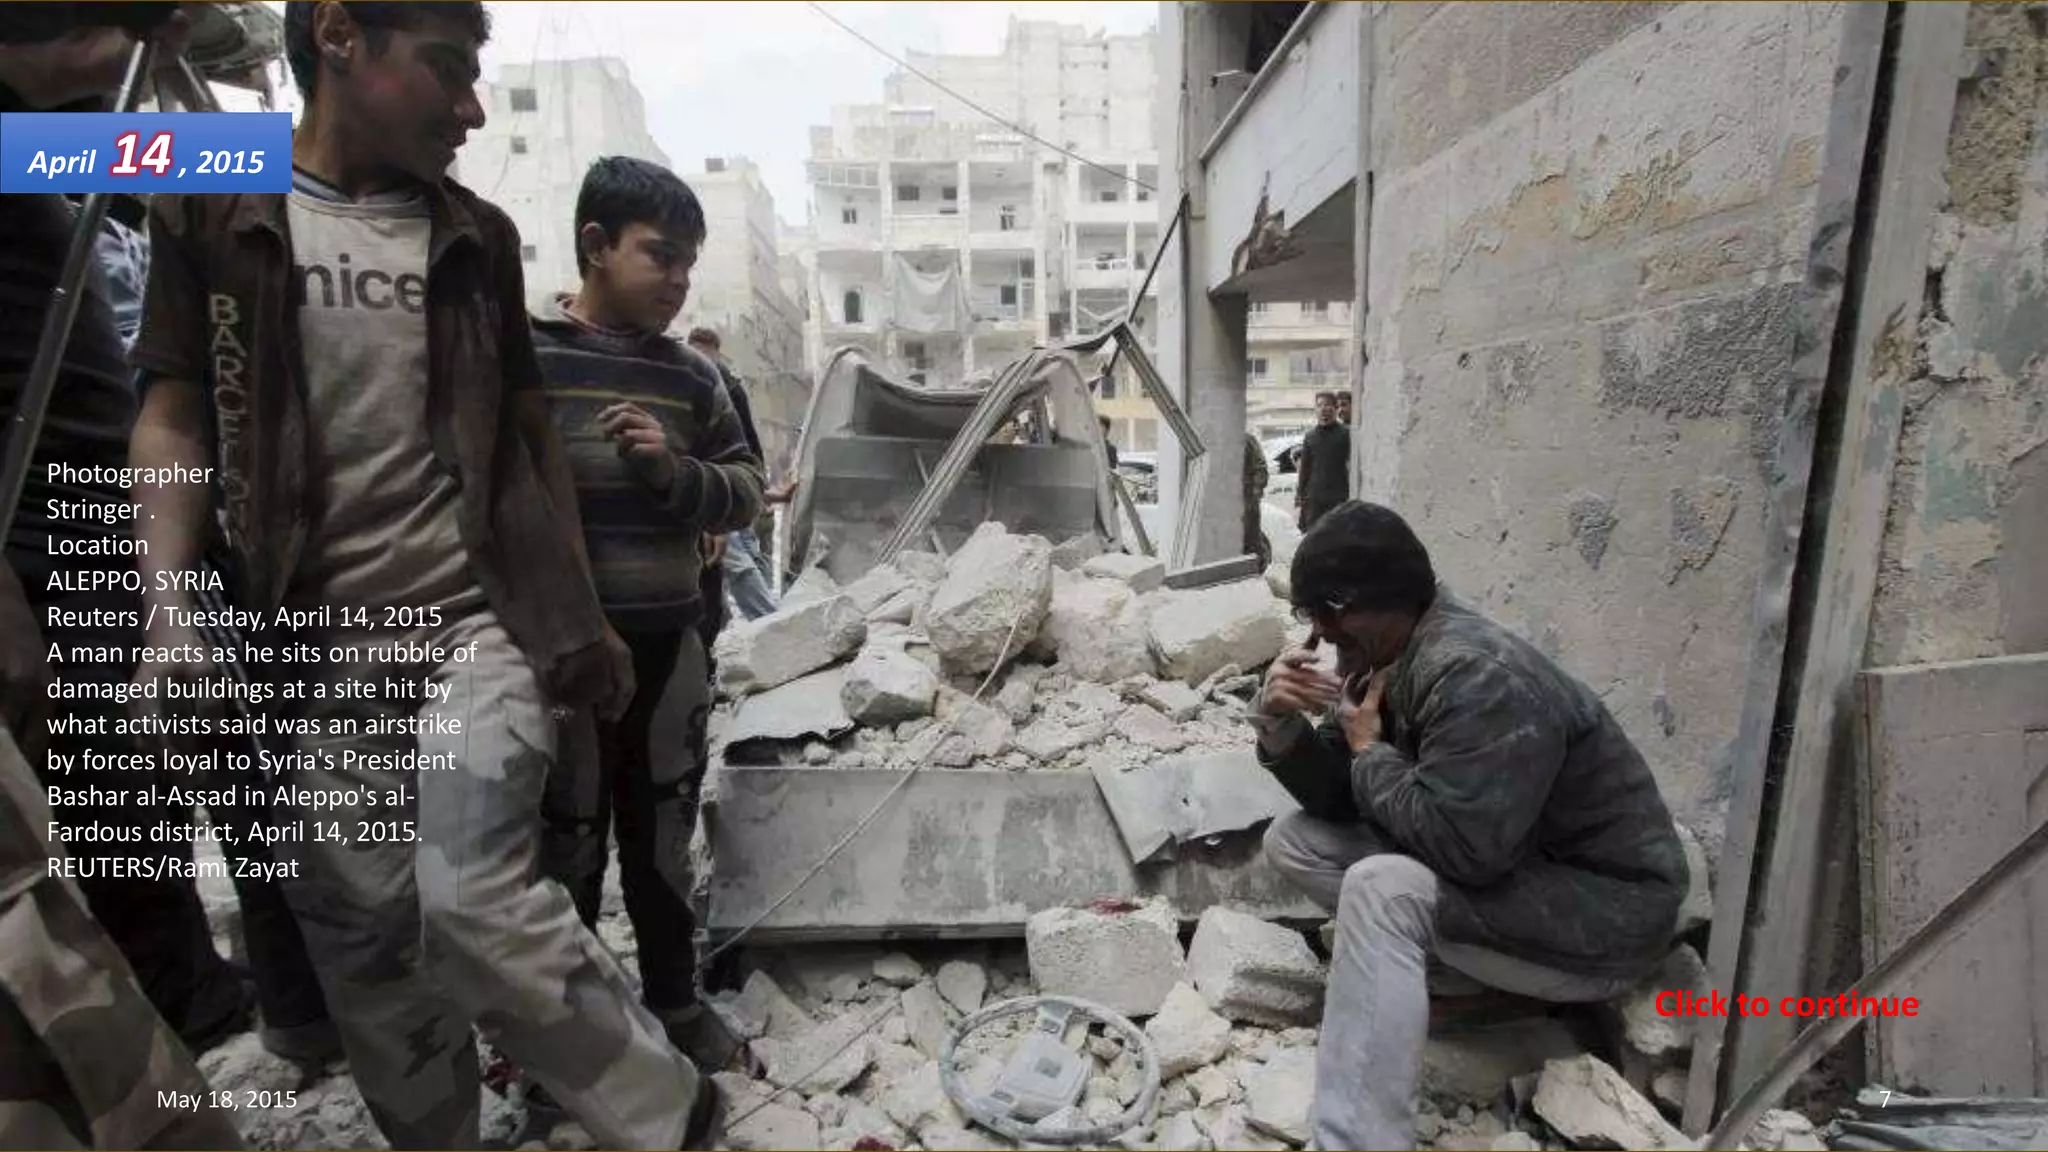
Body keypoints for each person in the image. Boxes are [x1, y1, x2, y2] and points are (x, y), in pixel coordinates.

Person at [126, 4, 714, 1147]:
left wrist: (571, 628)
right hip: (311, 657)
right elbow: (175, 412)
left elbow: (527, 448)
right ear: (341, 36)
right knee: (370, 940)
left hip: (472, 632)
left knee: (473, 900)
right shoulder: (211, 200)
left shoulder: (474, 237)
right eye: (446, 69)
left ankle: (676, 1120)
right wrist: (164, 609)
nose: (471, 107)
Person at [1252, 501, 1688, 1150]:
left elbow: (1466, 852)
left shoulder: (1477, 675)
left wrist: (1371, 750)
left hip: (1607, 916)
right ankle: (1473, 986)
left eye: (1332, 618)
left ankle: (1356, 1142)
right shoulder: (1385, 654)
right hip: (1521, 878)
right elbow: (1342, 801)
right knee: (1294, 840)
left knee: (1382, 888)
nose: (1321, 636)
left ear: (1378, 603)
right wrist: (1278, 722)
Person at [0, 5, 259, 1058]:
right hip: (31, 543)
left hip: (87, 520)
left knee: (139, 782)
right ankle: (160, 1030)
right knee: (102, 795)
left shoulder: (34, 146)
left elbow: (224, 158)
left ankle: (192, 993)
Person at [531, 159, 763, 1066]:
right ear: (595, 245)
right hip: (563, 657)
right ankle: (575, 1042)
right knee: (567, 846)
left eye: (688, 265)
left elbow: (746, 492)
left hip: (670, 647)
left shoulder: (694, 378)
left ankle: (674, 1004)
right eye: (660, 257)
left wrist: (676, 475)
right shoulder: (526, 356)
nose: (677, 281)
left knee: (662, 839)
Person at [684, 326, 786, 622]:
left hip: (729, 496)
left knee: (745, 561)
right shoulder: (711, 384)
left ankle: (772, 626)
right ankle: (773, 625)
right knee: (739, 566)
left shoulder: (726, 387)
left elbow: (743, 452)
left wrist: (760, 491)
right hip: (713, 500)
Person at [1294, 391, 1350, 532]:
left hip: (1338, 497)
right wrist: (1300, 494)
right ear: (1316, 410)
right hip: (1314, 499)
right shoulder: (1310, 436)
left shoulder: (1346, 434)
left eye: (1327, 405)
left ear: (1335, 408)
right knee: (1314, 538)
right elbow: (1305, 469)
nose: (1323, 409)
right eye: (1319, 405)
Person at [1244, 431, 1271, 567]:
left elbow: (1260, 467)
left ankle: (1257, 567)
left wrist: (1256, 489)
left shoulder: (1247, 439)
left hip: (1246, 500)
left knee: (1251, 540)